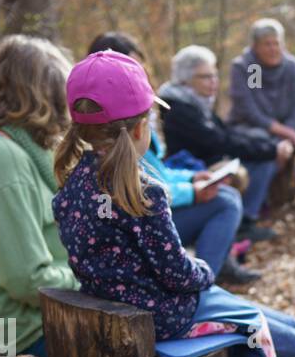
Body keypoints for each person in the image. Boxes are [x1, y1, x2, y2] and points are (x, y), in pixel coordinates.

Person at [52, 51, 295, 357]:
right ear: (140, 129)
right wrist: (203, 269)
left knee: (224, 300)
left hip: (121, 308)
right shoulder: (143, 192)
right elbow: (177, 273)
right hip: (161, 316)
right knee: (247, 319)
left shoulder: (71, 187)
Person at [87, 31, 260, 287]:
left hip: (158, 205)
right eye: (130, 68)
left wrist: (192, 178)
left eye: (140, 66)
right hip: (142, 225)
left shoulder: (141, 116)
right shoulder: (121, 127)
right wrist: (191, 191)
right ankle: (202, 288)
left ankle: (214, 271)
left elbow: (156, 172)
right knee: (226, 201)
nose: (140, 74)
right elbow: (142, 189)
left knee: (230, 190)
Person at [0, 34, 78, 357]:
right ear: (42, 95)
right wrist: (92, 276)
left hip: (52, 318)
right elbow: (28, 280)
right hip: (29, 334)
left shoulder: (28, 150)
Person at [159, 45, 295, 230]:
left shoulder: (196, 102)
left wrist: (273, 142)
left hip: (213, 157)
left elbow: (224, 133)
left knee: (266, 147)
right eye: (206, 77)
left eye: (214, 75)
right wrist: (271, 148)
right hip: (193, 168)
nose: (213, 81)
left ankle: (255, 212)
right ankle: (245, 222)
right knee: (262, 159)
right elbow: (221, 140)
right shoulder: (180, 108)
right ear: (186, 80)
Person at [229, 18, 295, 219]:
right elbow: (251, 111)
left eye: (277, 43)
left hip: (286, 125)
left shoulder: (292, 67)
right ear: (255, 46)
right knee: (261, 140)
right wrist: (286, 136)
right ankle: (261, 200)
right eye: (267, 44)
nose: (273, 49)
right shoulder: (250, 68)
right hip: (253, 126)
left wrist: (288, 135)